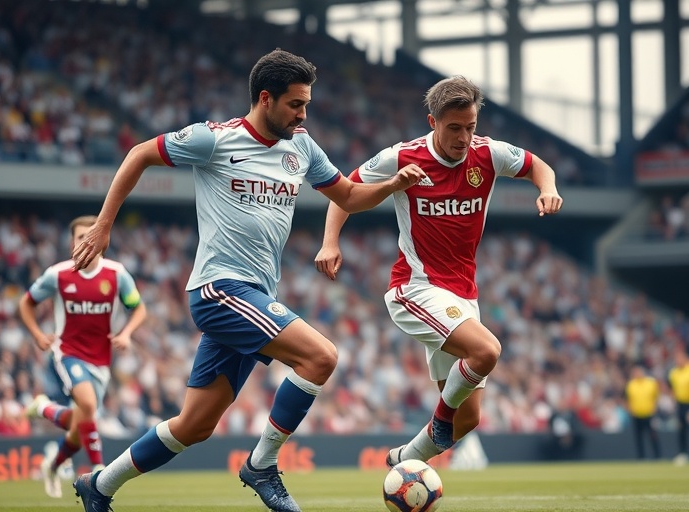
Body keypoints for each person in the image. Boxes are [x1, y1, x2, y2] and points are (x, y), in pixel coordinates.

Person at [69, 49, 425, 512]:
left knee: (194, 426)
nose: (302, 114)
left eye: (306, 105)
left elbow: (351, 196)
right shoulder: (214, 140)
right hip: (220, 290)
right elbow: (139, 154)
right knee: (320, 357)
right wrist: (102, 225)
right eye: (296, 104)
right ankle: (261, 465)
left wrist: (393, 184)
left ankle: (99, 485)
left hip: (255, 294)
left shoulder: (301, 146)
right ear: (265, 98)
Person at [314, 75, 563, 467]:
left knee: (469, 419)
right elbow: (345, 192)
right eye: (454, 128)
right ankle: (439, 418)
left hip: (464, 294)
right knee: (487, 351)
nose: (464, 138)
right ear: (433, 122)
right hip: (415, 288)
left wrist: (546, 188)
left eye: (471, 127)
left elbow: (538, 166)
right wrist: (330, 241)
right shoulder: (402, 157)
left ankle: (403, 459)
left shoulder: (489, 154)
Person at [19, 215, 147, 498]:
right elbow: (26, 303)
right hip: (68, 353)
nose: (85, 241)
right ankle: (99, 470)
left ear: (104, 240)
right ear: (71, 242)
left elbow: (138, 308)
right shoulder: (59, 274)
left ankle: (49, 447)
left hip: (101, 361)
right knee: (88, 406)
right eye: (79, 237)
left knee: (80, 426)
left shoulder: (116, 274)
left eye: (91, 235)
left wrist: (126, 333)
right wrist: (38, 335)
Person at [668, 346, 689, 465]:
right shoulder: (673, 372)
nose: (678, 360)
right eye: (677, 358)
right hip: (680, 403)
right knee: (682, 429)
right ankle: (683, 454)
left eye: (680, 358)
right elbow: (671, 388)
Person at [625, 365, 661, 460]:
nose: (637, 374)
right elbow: (628, 399)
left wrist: (654, 408)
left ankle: (658, 456)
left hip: (649, 414)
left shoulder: (651, 383)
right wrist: (630, 409)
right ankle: (641, 457)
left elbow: (656, 397)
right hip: (637, 415)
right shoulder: (631, 384)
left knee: (653, 436)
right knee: (638, 438)